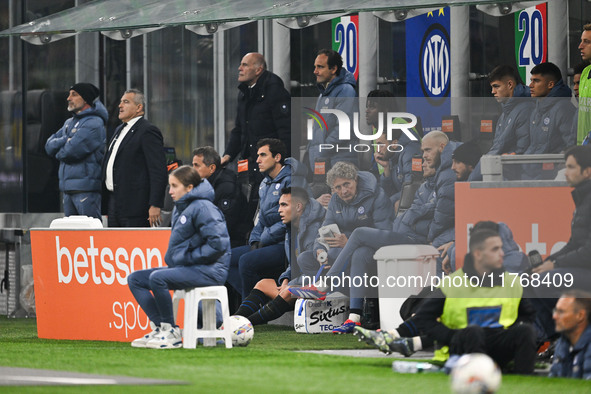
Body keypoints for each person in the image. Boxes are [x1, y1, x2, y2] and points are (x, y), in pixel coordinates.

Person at [354, 229, 537, 375]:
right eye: (495, 249)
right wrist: (450, 337)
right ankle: (473, 373)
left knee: (524, 331)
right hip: (464, 345)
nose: (502, 254)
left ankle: (522, 379)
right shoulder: (452, 284)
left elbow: (527, 316)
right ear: (479, 254)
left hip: (497, 343)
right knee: (473, 332)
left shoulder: (512, 283)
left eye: (502, 248)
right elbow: (423, 319)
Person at [290, 159, 436, 333]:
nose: (343, 191)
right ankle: (354, 318)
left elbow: (384, 231)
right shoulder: (336, 201)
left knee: (359, 238)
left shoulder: (376, 194)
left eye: (347, 184)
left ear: (356, 181)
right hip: (354, 250)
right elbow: (323, 230)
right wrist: (319, 249)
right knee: (306, 257)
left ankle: (326, 285)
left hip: (381, 244)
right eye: (338, 187)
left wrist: (349, 239)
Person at [127, 165, 231, 349]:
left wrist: (189, 257)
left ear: (189, 187)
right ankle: (161, 327)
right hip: (190, 268)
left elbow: (218, 244)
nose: (170, 191)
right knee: (135, 279)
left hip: (211, 270)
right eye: (170, 186)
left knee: (158, 279)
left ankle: (171, 331)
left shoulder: (204, 207)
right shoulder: (181, 207)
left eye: (175, 186)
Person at [234, 187, 325, 325]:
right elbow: (292, 265)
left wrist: (291, 285)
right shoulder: (291, 228)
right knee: (263, 284)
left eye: (284, 205)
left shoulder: (314, 230)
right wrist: (285, 280)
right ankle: (234, 320)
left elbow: (315, 273)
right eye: (279, 205)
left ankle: (246, 324)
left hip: (319, 288)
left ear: (298, 207)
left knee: (288, 291)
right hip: (297, 285)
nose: (279, 210)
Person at [527, 146, 591, 339]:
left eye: (571, 167)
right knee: (528, 279)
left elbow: (588, 251)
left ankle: (577, 332)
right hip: (583, 270)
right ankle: (555, 340)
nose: (565, 172)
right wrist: (546, 262)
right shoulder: (583, 199)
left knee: (544, 280)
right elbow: (573, 244)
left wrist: (554, 264)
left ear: (587, 171)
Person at [226, 139, 292, 299]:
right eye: (257, 155)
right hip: (266, 241)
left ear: (277, 157)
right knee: (224, 259)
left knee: (246, 261)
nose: (257, 160)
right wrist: (255, 241)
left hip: (285, 243)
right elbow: (261, 218)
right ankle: (260, 299)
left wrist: (264, 238)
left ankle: (248, 309)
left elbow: (291, 219)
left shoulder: (291, 179)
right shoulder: (264, 183)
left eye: (263, 155)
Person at [102, 89, 168, 227]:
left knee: (132, 246)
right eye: (120, 102)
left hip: (135, 206)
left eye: (126, 102)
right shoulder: (118, 129)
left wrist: (155, 204)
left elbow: (158, 170)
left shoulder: (148, 131)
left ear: (139, 107)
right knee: (115, 246)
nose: (120, 105)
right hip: (114, 202)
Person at [221, 52, 291, 176]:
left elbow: (285, 130)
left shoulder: (274, 90)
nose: (239, 68)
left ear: (258, 70)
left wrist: (284, 165)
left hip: (270, 166)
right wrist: (228, 155)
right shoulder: (244, 92)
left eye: (245, 65)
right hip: (249, 163)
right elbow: (239, 129)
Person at [45, 83, 107, 219]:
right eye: (69, 94)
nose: (68, 98)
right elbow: (48, 145)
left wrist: (60, 148)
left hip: (86, 189)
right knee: (72, 236)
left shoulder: (94, 123)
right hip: (68, 189)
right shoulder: (69, 122)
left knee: (90, 233)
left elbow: (70, 151)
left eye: (74, 94)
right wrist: (66, 140)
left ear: (85, 99)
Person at [307, 49, 358, 171]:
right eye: (315, 67)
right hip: (324, 160)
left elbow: (343, 128)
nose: (315, 71)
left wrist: (322, 150)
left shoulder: (346, 90)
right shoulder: (324, 93)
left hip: (337, 161)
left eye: (320, 67)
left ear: (333, 69)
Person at [369, 90, 422, 206]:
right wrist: (386, 171)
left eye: (372, 107)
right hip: (393, 184)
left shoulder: (401, 127)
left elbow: (412, 186)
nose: (367, 111)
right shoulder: (377, 130)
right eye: (366, 106)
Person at [192, 146, 251, 247]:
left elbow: (224, 225)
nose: (193, 170)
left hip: (230, 242)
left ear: (211, 168)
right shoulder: (202, 185)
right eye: (192, 165)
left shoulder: (227, 187)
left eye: (197, 166)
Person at [525, 62, 576, 154]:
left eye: (536, 81)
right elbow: (534, 146)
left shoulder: (564, 108)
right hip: (532, 166)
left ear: (550, 84)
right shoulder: (537, 109)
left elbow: (571, 147)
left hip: (553, 167)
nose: (530, 85)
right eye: (531, 80)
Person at [487, 65, 533, 156]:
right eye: (492, 87)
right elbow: (497, 146)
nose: (493, 91)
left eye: (496, 86)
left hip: (510, 166)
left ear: (510, 85)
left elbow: (521, 150)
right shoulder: (505, 112)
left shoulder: (526, 109)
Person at [549, 290, 591, 379]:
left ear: (580, 316)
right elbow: (552, 383)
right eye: (555, 311)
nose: (554, 316)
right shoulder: (563, 342)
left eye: (561, 312)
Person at [577, 24, 591, 145]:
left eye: (586, 42)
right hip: (584, 150)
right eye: (581, 41)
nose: (580, 46)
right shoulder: (585, 72)